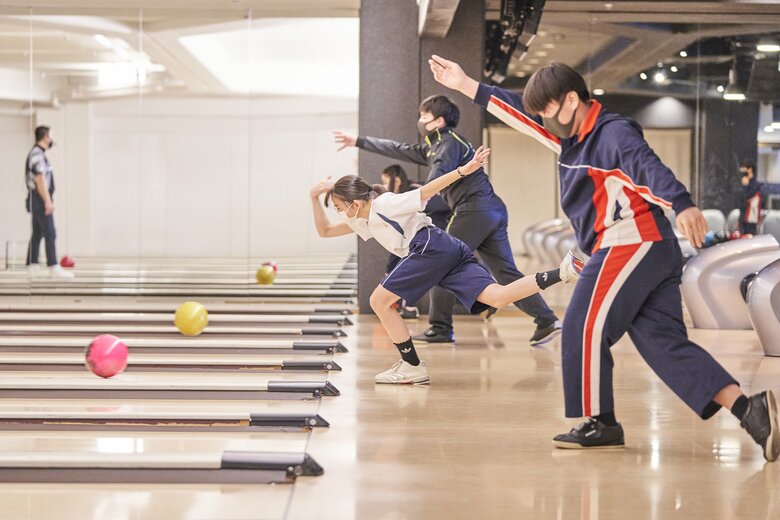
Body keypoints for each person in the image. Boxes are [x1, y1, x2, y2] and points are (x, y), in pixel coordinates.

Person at [428, 55, 779, 461]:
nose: (543, 117)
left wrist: (682, 204)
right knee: (664, 344)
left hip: (633, 241)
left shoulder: (611, 133)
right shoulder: (569, 138)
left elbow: (647, 167)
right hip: (645, 249)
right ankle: (751, 411)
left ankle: (602, 422)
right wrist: (467, 82)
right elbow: (518, 114)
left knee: (581, 325)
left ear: (572, 100)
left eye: (549, 108)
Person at [309, 145, 583, 385]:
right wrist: (313, 198)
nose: (339, 211)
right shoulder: (362, 219)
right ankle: (563, 271)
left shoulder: (386, 203)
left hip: (428, 246)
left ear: (354, 203)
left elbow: (428, 190)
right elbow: (325, 232)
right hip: (445, 248)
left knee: (379, 301)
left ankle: (412, 366)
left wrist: (465, 170)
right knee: (497, 297)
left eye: (338, 206)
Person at [334, 95, 560, 346]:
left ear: (439, 121)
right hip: (490, 210)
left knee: (441, 258)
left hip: (473, 209)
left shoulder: (447, 144)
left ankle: (441, 327)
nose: (419, 121)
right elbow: (399, 149)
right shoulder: (436, 145)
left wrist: (409, 201)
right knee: (504, 271)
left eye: (424, 116)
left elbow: (433, 184)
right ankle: (546, 320)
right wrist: (359, 141)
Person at [381, 164, 451, 319]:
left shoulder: (413, 190)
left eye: (386, 182)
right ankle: (409, 307)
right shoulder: (399, 198)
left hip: (438, 228)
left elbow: (442, 206)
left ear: (397, 180)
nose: (385, 187)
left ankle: (410, 307)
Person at [25, 125, 73, 279]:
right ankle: (53, 266)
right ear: (45, 137)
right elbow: (40, 179)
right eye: (50, 136)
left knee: (38, 233)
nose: (52, 139)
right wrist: (47, 201)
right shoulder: (37, 154)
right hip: (39, 198)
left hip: (37, 198)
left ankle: (32, 266)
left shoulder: (37, 153)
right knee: (50, 232)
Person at [739, 159, 767, 236]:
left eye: (744, 168)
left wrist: (746, 185)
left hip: (751, 214)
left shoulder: (756, 184)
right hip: (744, 213)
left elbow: (748, 195)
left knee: (750, 234)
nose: (742, 170)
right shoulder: (743, 180)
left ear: (750, 169)